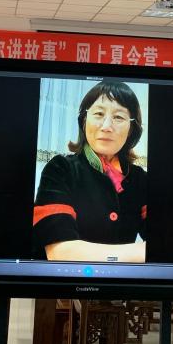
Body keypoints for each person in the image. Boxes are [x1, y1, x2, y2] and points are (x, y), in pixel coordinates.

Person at [33, 79, 147, 262]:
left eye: (118, 117)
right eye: (99, 114)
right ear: (84, 120)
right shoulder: (60, 168)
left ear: (132, 128)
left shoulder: (141, 179)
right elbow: (61, 253)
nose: (106, 126)